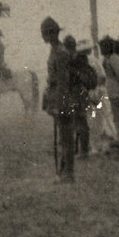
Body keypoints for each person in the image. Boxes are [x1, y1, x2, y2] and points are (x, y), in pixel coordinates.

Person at [41, 16, 74, 183]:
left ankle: (68, 174)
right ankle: (63, 171)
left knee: (66, 138)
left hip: (63, 99)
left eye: (45, 33)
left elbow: (63, 81)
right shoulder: (55, 50)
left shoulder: (60, 52)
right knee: (63, 138)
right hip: (57, 97)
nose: (43, 36)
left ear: (52, 33)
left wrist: (59, 104)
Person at [65, 37, 96, 157]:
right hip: (80, 92)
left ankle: (83, 150)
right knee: (79, 121)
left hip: (75, 93)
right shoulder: (81, 58)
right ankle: (81, 149)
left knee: (79, 122)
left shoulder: (72, 59)